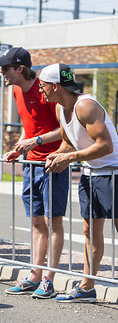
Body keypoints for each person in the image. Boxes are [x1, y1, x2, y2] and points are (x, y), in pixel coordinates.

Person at [0, 47, 69, 299]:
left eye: (5, 68)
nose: (1, 72)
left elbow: (65, 131)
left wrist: (35, 142)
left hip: (52, 163)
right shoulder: (16, 90)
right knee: (36, 221)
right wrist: (19, 147)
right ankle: (34, 275)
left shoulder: (45, 91)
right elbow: (30, 127)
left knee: (52, 221)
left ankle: (49, 279)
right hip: (31, 164)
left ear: (20, 69)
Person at [42, 63, 118, 303]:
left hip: (113, 172)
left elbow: (106, 145)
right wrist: (59, 155)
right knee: (89, 231)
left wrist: (71, 157)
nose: (40, 90)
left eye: (42, 85)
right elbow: (69, 141)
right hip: (91, 172)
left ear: (55, 86)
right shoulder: (59, 109)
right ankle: (87, 286)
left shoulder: (85, 106)